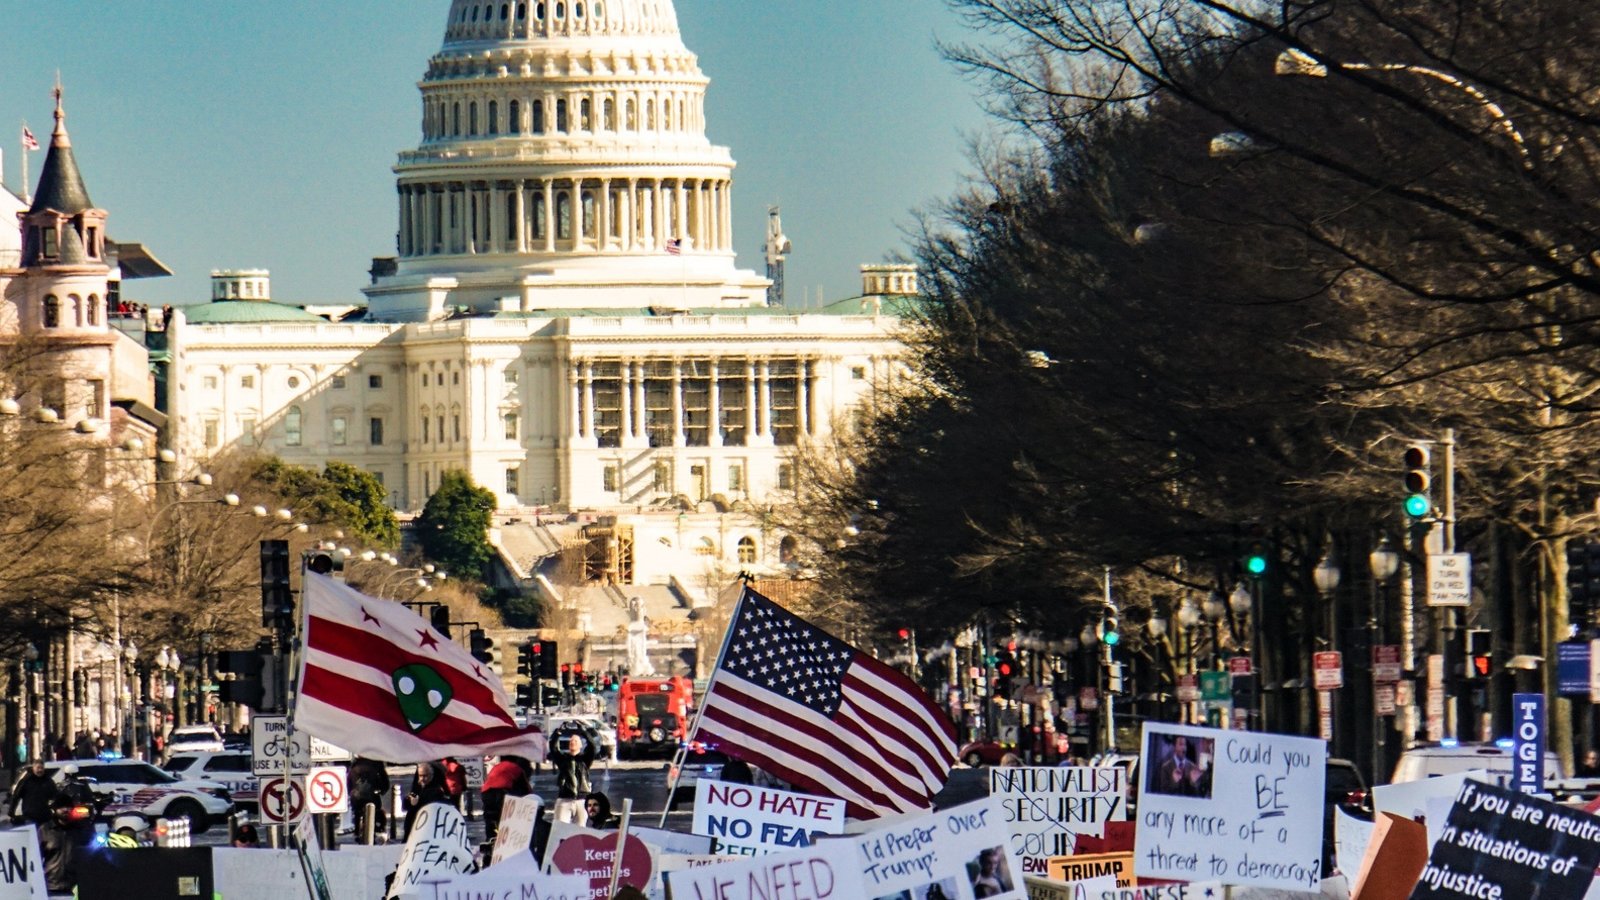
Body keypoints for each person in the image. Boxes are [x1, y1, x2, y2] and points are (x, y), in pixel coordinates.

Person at [39, 794, 93, 896]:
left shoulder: (81, 830)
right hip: (51, 887)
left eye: (68, 807)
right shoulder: (45, 830)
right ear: (55, 809)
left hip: (75, 888)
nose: (65, 810)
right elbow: (35, 858)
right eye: (61, 807)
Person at [548, 725, 597, 825]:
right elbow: (553, 748)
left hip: (582, 800)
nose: (572, 742)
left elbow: (592, 746)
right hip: (565, 799)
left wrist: (583, 732)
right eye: (571, 741)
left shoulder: (584, 760)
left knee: (580, 830)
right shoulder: (563, 759)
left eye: (575, 741)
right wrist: (558, 733)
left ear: (581, 745)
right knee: (560, 827)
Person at [482, 754, 532, 842]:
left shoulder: (496, 767)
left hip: (486, 792)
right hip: (502, 792)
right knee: (505, 816)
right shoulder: (516, 767)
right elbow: (526, 788)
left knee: (490, 815)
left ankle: (490, 838)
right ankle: (505, 839)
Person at [348, 757, 392, 841]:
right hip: (372, 795)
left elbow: (349, 781)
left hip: (357, 796)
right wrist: (381, 790)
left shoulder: (355, 764)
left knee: (357, 812)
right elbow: (384, 780)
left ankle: (357, 832)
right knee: (374, 812)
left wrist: (351, 791)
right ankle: (374, 830)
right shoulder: (376, 763)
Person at [404, 762, 450, 836]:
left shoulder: (435, 789)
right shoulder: (419, 785)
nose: (422, 778)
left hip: (428, 814)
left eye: (425, 776)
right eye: (420, 776)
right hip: (421, 815)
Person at [9, 760, 58, 825]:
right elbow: (16, 796)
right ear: (33, 768)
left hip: (45, 816)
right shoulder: (26, 781)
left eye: (41, 768)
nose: (40, 770)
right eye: (38, 768)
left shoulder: (48, 781)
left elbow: (55, 796)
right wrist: (11, 811)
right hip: (29, 816)